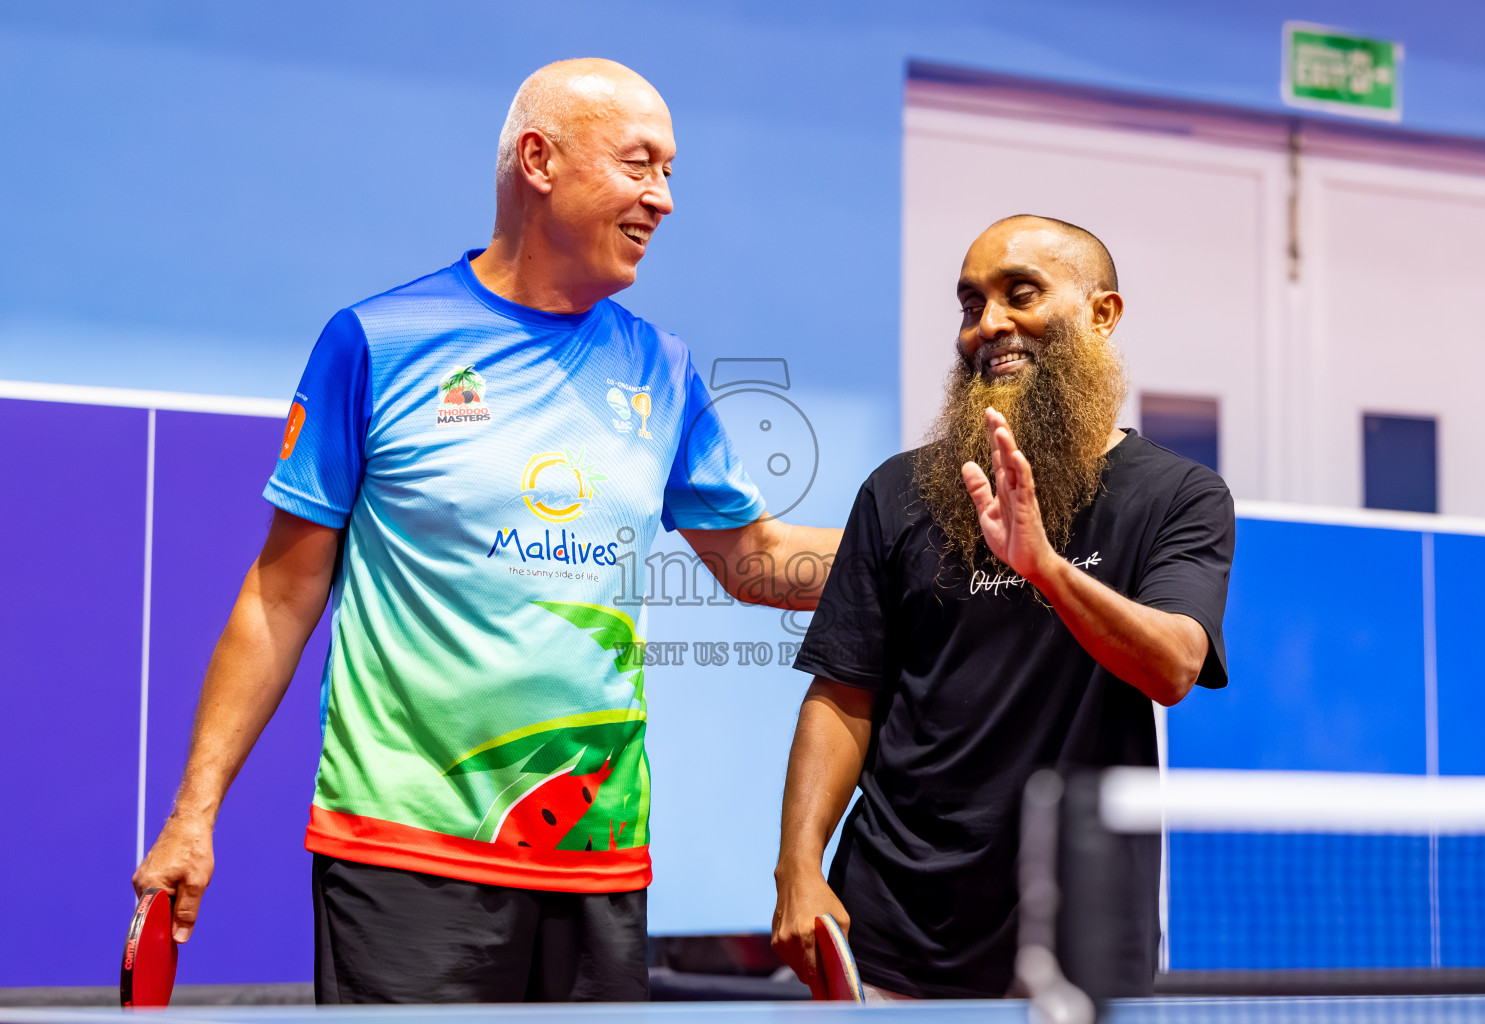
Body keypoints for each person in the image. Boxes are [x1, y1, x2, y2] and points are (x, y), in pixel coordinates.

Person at [132, 58, 839, 1004]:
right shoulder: (378, 342)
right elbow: (280, 593)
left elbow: (754, 563)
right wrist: (194, 812)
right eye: (640, 165)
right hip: (401, 859)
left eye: (671, 172)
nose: (662, 199)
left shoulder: (661, 368)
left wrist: (942, 541)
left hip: (600, 861)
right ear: (539, 160)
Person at [771, 215, 1235, 999]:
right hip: (890, 933)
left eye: (1022, 293)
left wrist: (1046, 568)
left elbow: (1173, 665)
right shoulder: (897, 492)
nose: (989, 325)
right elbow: (842, 695)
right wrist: (797, 869)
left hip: (1081, 937)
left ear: (1103, 313)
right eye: (970, 304)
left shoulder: (1180, 496)